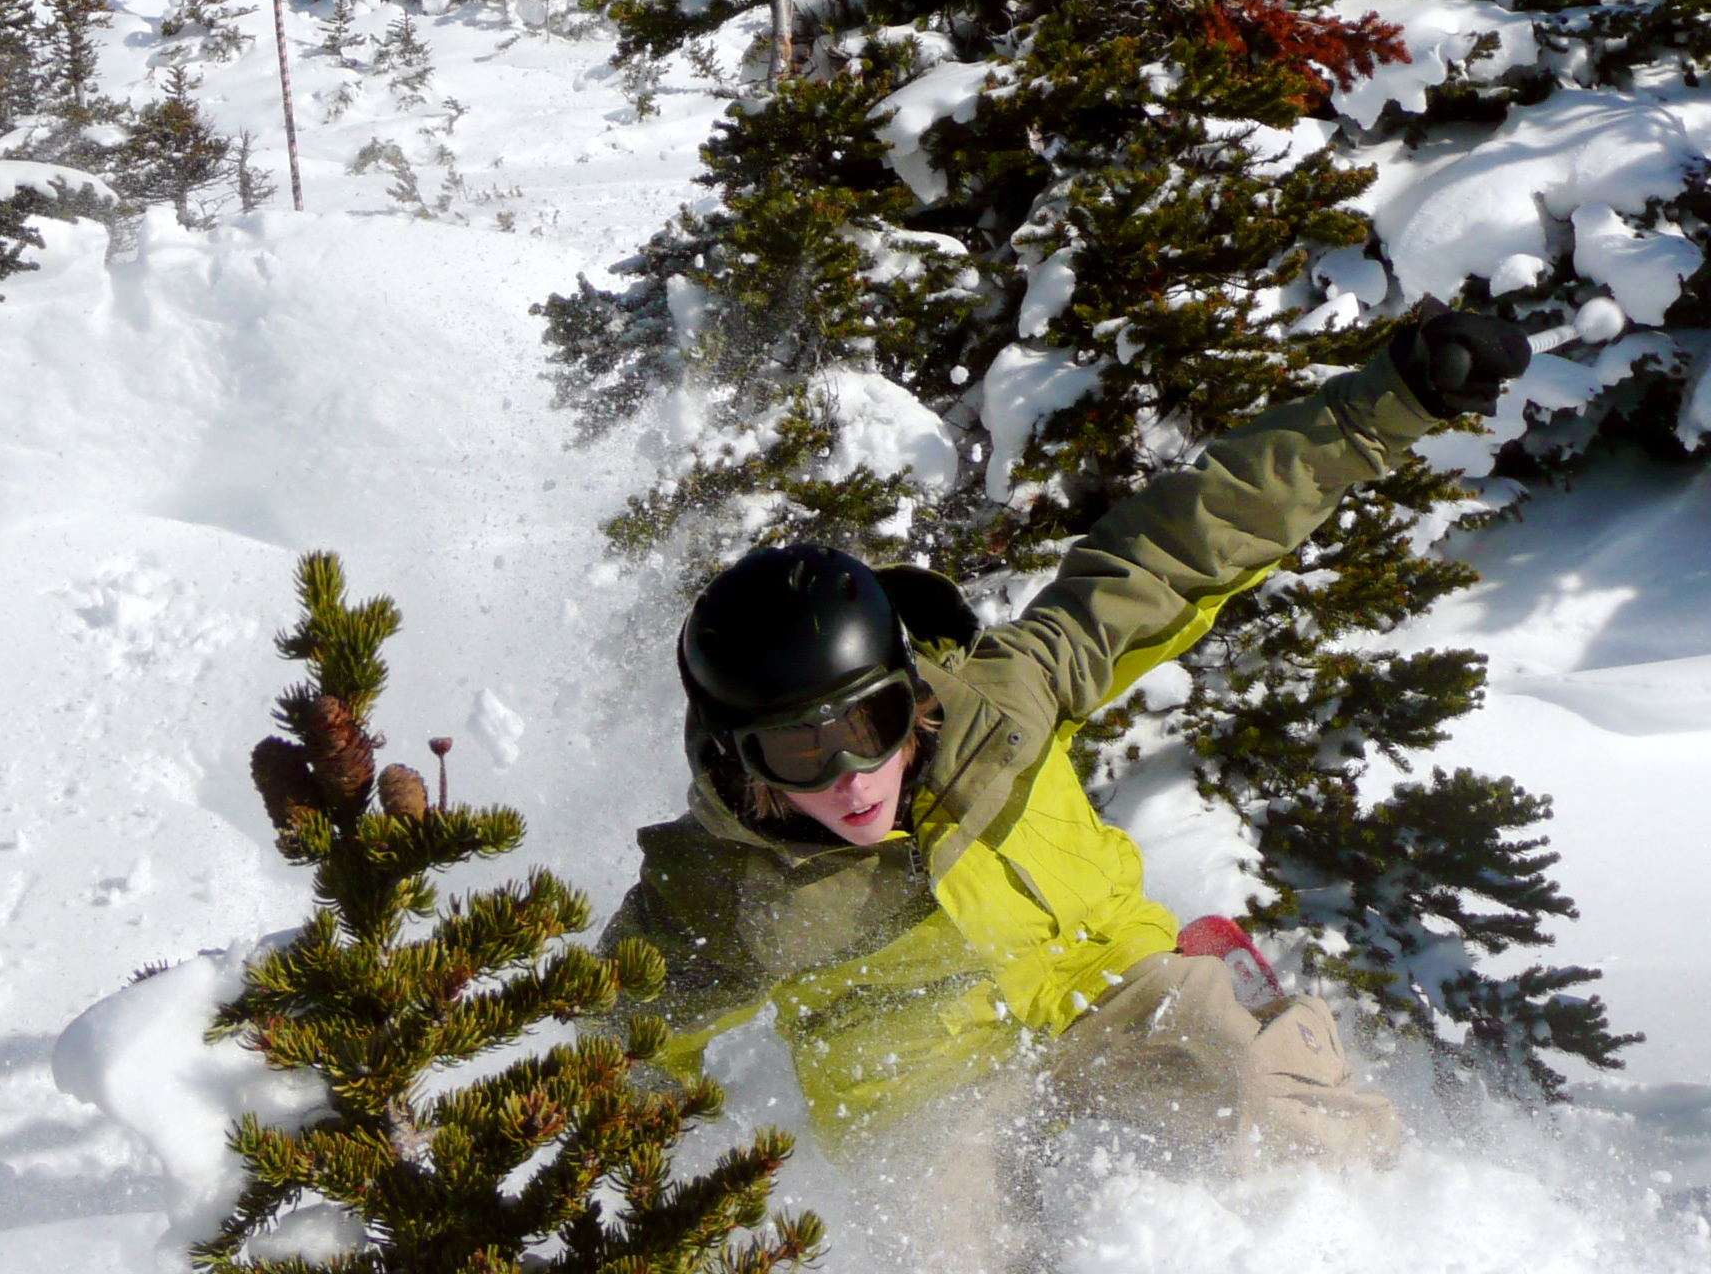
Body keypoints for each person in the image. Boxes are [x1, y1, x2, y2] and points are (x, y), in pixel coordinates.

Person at [600, 311, 1528, 1240]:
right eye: (801, 753)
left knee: (1256, 1079)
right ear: (740, 756)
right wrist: (654, 1215)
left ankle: (1396, 1238)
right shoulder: (715, 889)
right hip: (931, 1113)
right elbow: (619, 1054)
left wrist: (1385, 405)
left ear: (909, 690)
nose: (854, 777)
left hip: (1121, 997)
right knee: (952, 1242)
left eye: (872, 725)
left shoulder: (1005, 702)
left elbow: (1181, 543)